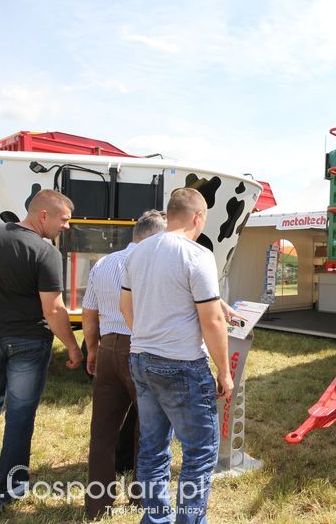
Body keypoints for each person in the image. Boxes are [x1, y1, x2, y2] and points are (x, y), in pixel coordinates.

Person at [0, 190, 83, 512]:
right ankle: (8, 490)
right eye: (64, 220)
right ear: (43, 216)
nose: (66, 227)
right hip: (27, 342)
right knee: (19, 416)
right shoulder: (45, 251)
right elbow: (53, 309)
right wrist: (72, 346)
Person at [120, 188, 235, 523]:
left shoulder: (137, 253)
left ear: (170, 214)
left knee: (153, 448)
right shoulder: (197, 255)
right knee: (199, 452)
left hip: (141, 357)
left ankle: (155, 518)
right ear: (198, 217)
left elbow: (125, 307)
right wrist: (224, 371)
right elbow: (212, 320)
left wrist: (147, 335)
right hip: (181, 363)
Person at [83, 210, 167, 519]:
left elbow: (89, 312)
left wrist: (93, 349)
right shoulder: (154, 265)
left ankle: (97, 504)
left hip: (108, 346)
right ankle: (141, 498)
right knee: (148, 427)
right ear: (157, 236)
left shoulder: (104, 263)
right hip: (141, 346)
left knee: (102, 431)